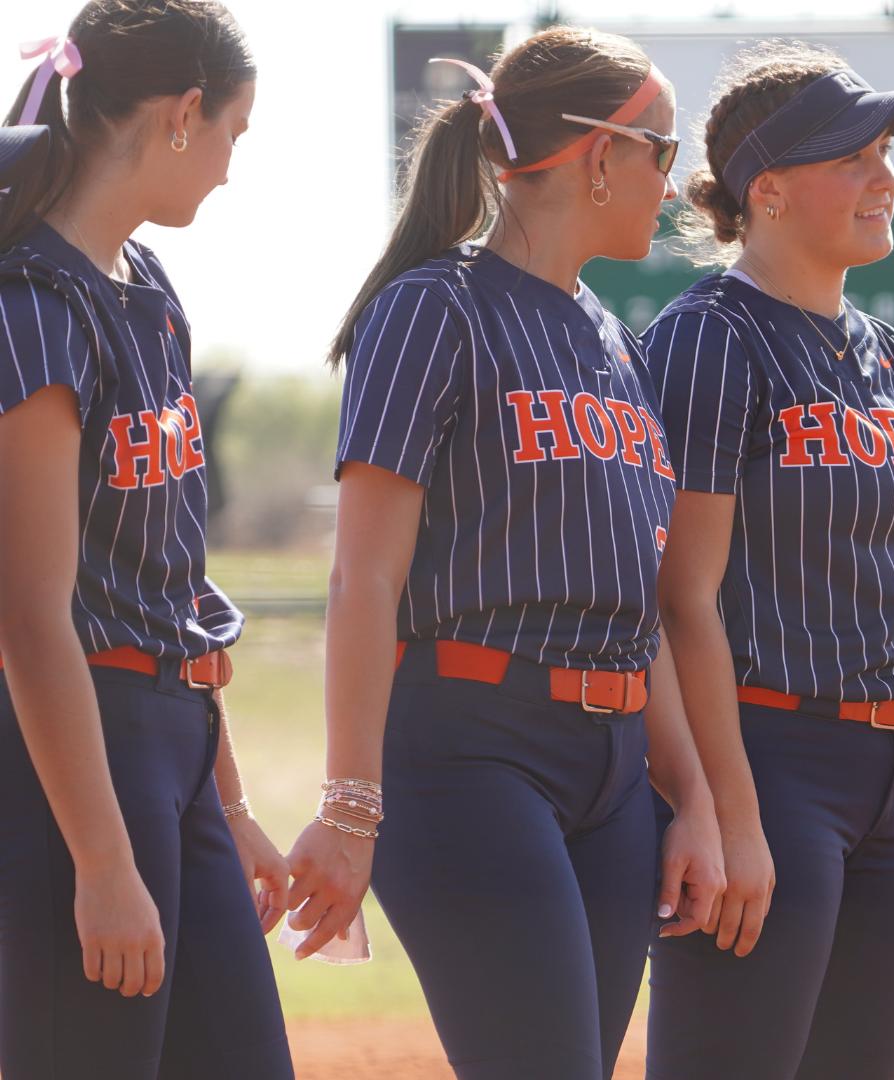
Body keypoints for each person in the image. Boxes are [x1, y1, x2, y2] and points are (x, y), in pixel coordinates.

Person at [284, 28, 722, 1079]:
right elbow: (364, 579)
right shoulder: (432, 307)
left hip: (613, 770)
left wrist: (694, 791)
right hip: (475, 750)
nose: (674, 176)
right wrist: (351, 804)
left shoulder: (613, 334)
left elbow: (636, 598)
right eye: (661, 146)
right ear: (597, 152)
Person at [641, 44, 894, 1080]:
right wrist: (731, 813)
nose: (888, 177)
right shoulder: (709, 339)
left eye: (887, 153)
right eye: (857, 156)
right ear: (769, 189)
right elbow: (682, 601)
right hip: (771, 753)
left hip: (891, 777)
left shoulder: (887, 355)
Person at [0, 2, 294, 1076]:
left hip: (176, 747)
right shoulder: (32, 303)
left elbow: (169, 578)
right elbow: (31, 618)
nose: (227, 165)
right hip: (75, 759)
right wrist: (102, 860)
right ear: (182, 114)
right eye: (233, 131)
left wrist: (230, 805)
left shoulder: (147, 287)